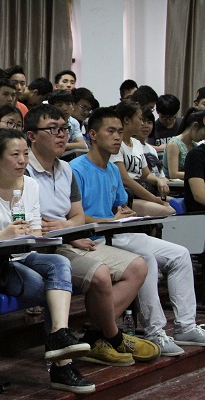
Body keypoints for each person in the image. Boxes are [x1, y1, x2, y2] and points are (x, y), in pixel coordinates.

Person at [0, 129, 94, 394]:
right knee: (50, 289)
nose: (22, 160)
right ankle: (61, 364)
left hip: (25, 254)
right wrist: (3, 234)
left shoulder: (30, 185)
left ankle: (58, 335)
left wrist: (35, 233)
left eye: (25, 154)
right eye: (15, 155)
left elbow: (34, 229)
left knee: (60, 263)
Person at [24, 104, 158, 366]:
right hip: (44, 249)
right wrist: (67, 229)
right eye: (52, 129)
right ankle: (113, 336)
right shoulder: (24, 170)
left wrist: (66, 226)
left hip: (69, 239)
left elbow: (77, 216)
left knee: (138, 266)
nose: (61, 135)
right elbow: (31, 222)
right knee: (101, 274)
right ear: (32, 136)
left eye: (64, 129)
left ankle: (97, 336)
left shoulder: (65, 169)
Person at [70, 107, 205, 356]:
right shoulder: (76, 169)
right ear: (92, 134)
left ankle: (186, 326)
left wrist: (131, 212)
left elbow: (120, 206)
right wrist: (110, 219)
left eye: (120, 132)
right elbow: (74, 216)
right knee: (146, 260)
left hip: (117, 232)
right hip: (94, 238)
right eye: (111, 131)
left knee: (180, 254)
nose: (117, 137)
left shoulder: (112, 170)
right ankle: (155, 332)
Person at [112, 101, 174, 216]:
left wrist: (159, 181)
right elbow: (125, 179)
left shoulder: (137, 143)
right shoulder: (116, 144)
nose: (142, 123)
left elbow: (146, 174)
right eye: (140, 119)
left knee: (177, 204)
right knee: (168, 211)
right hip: (126, 195)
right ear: (127, 120)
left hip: (141, 191)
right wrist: (153, 199)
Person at [162, 107, 205, 179]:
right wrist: (197, 175)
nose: (204, 138)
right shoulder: (174, 144)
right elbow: (173, 174)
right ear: (195, 126)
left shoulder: (194, 145)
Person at [134, 107, 166, 179]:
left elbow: (161, 176)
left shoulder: (152, 150)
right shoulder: (131, 147)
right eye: (142, 121)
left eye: (149, 122)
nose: (146, 126)